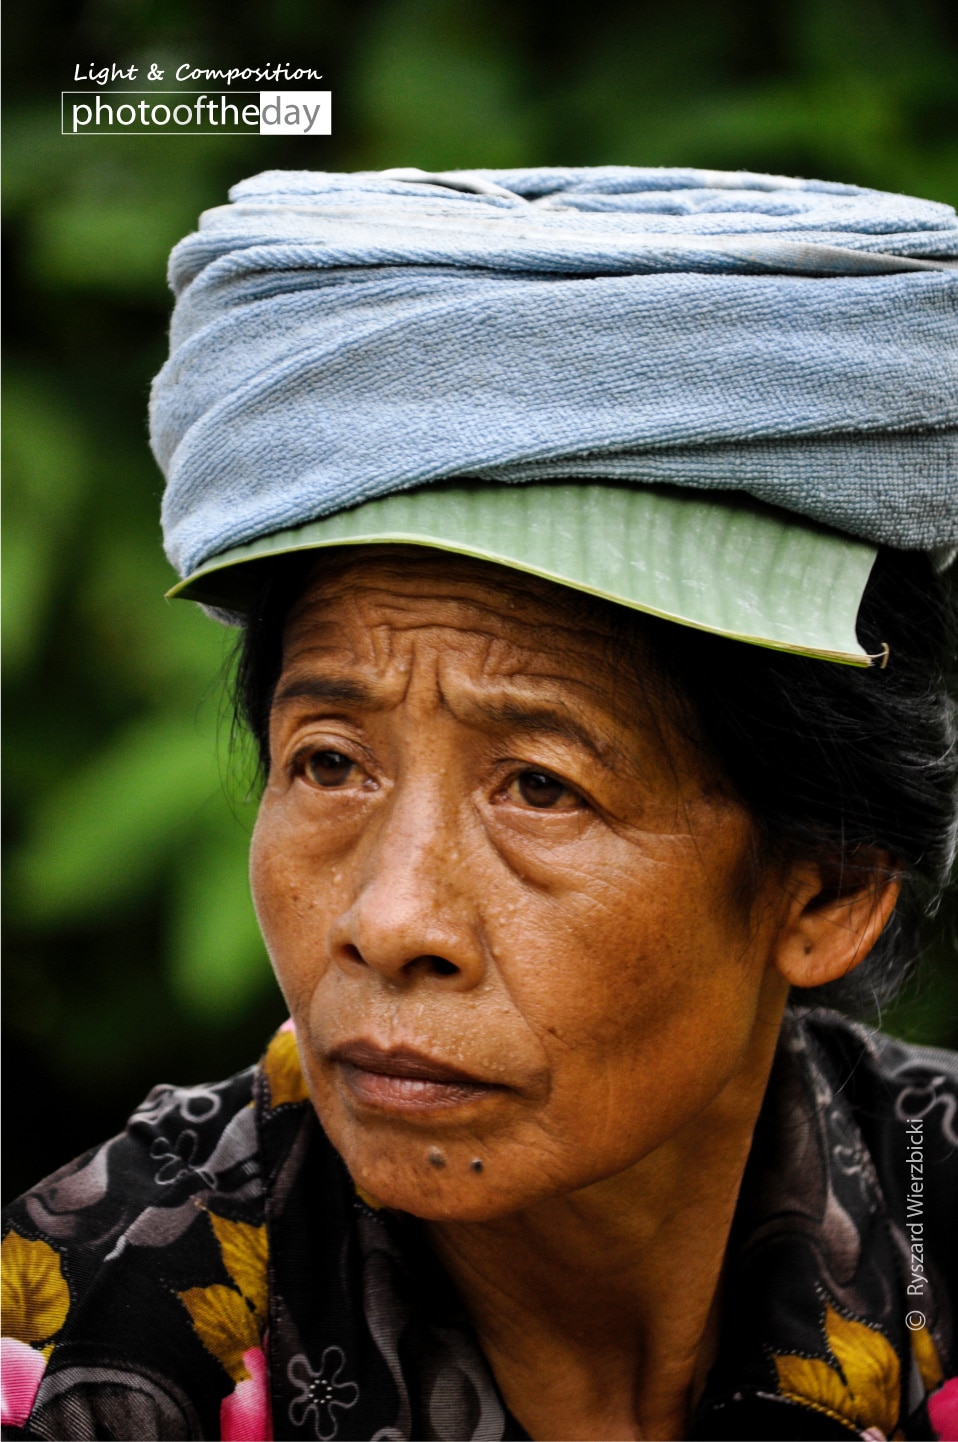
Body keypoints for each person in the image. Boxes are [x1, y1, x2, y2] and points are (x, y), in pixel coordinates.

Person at [3, 166, 957, 1442]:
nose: (390, 920)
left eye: (541, 787)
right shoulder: (90, 1330)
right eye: (331, 762)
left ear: (829, 883)